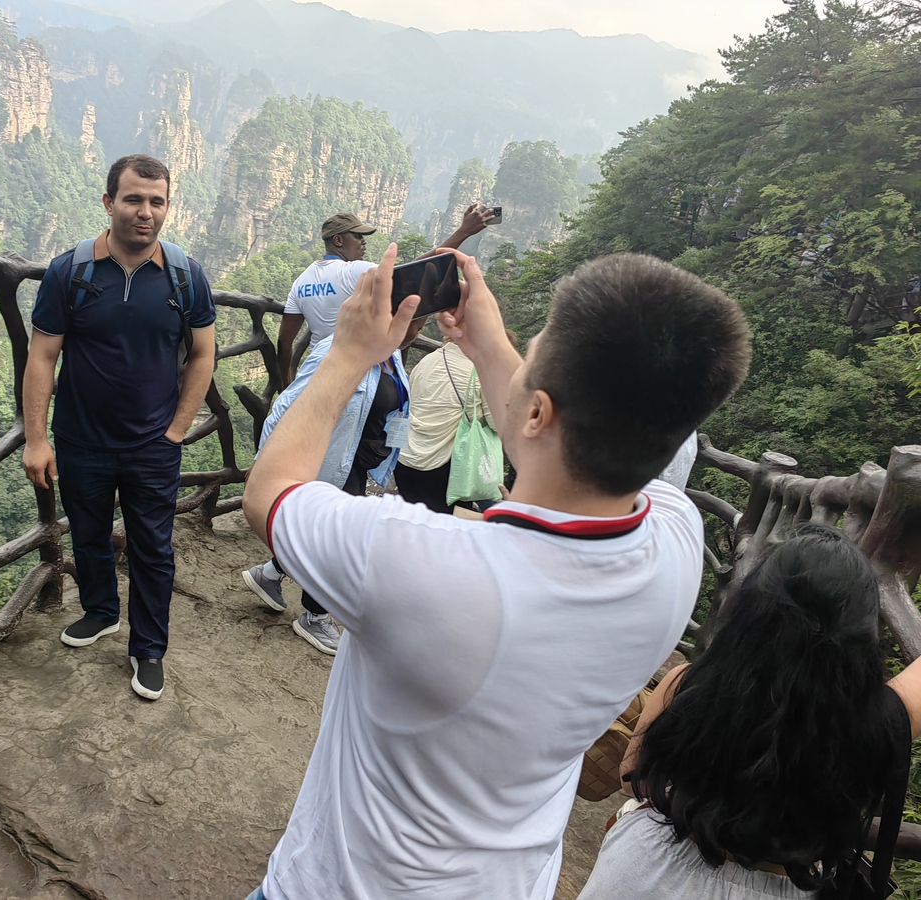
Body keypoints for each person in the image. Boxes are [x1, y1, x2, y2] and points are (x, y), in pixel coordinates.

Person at [240, 246, 751, 900]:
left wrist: (347, 354)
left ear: (536, 412)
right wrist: (487, 346)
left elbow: (271, 492)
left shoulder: (418, 562)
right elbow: (568, 445)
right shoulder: (676, 542)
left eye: (529, 354)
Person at [578, 525, 921, 899]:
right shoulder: (875, 723)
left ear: (750, 608)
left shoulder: (689, 683)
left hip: (644, 869)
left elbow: (632, 780)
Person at [22, 154, 216, 702]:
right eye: (133, 199)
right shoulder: (71, 272)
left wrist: (178, 428)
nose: (144, 212)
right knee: (87, 534)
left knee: (153, 548)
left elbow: (203, 353)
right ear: (109, 203)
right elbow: (42, 356)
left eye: (156, 201)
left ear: (168, 207)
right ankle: (102, 611)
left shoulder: (184, 275)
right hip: (80, 438)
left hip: (153, 443)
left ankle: (148, 648)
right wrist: (37, 439)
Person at [243, 314, 426, 654]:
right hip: (330, 458)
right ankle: (314, 616)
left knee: (319, 532)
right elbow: (289, 402)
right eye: (418, 323)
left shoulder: (393, 355)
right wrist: (263, 460)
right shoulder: (341, 347)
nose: (419, 332)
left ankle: (269, 574)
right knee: (337, 542)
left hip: (359, 461)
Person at [275, 204, 495, 388]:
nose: (363, 242)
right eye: (358, 236)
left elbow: (285, 340)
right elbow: (412, 271)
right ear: (339, 241)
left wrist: (286, 385)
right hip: (359, 373)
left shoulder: (301, 281)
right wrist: (463, 232)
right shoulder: (354, 271)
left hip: (317, 373)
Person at [394, 337, 496, 514]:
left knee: (412, 522)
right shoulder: (479, 371)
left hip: (406, 459)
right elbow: (496, 423)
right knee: (448, 526)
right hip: (446, 468)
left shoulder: (426, 361)